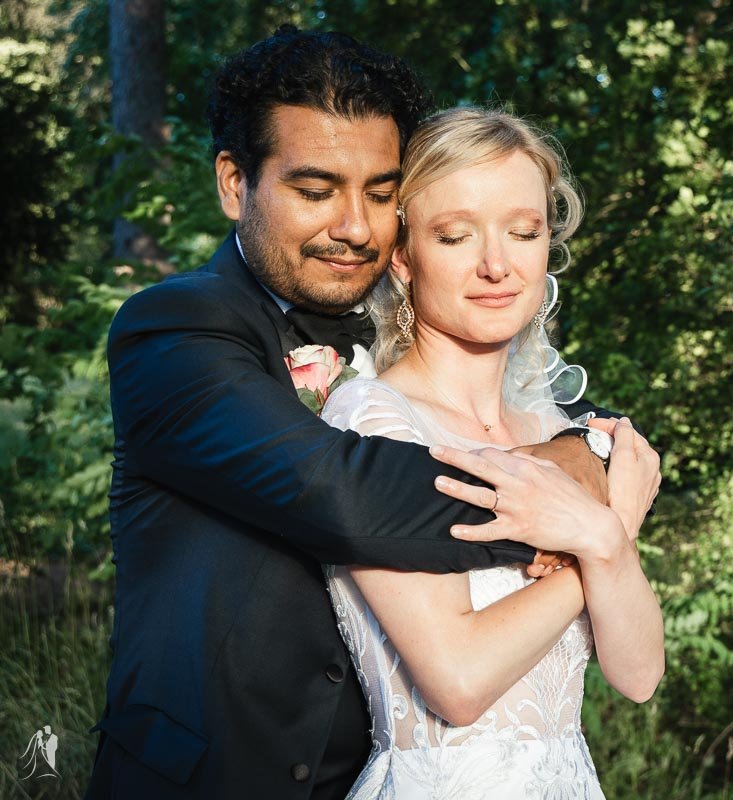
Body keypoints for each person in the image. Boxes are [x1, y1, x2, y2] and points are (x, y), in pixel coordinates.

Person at [85, 28, 645, 800]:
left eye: (381, 194)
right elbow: (343, 494)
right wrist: (572, 495)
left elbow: (569, 417)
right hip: (212, 777)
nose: (355, 227)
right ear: (233, 182)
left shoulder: (399, 320)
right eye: (316, 191)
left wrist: (592, 450)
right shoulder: (174, 329)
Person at [320, 106, 664, 799]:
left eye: (524, 230)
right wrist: (607, 535)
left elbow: (638, 675)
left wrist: (602, 548)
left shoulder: (553, 425)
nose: (497, 265)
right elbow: (459, 682)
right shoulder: (375, 422)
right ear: (404, 256)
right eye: (455, 235)